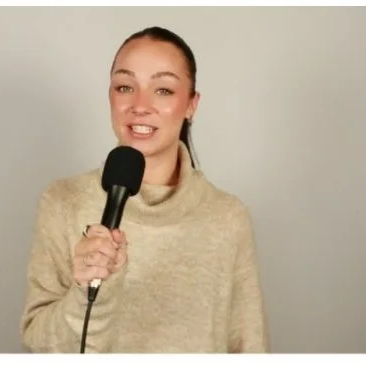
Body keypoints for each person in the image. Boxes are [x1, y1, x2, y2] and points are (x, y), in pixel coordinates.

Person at [22, 27, 267, 353]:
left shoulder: (228, 218)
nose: (140, 105)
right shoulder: (63, 202)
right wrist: (83, 291)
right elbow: (38, 344)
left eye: (163, 90)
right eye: (125, 87)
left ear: (191, 104)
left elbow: (249, 346)